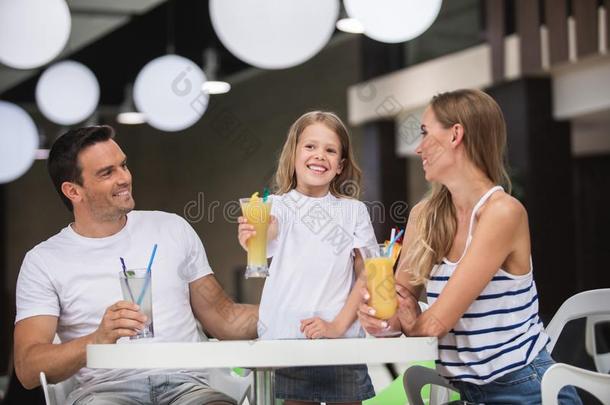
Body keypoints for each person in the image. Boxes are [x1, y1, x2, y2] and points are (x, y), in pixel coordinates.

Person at [357, 89, 582, 404]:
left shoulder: (502, 213)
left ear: (455, 135)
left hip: (525, 389)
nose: (419, 148)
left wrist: (409, 318)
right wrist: (380, 318)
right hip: (461, 393)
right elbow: (399, 307)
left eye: (425, 134)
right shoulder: (424, 215)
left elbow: (433, 325)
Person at [14, 125, 257, 405]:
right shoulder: (44, 261)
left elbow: (225, 319)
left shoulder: (171, 229)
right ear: (73, 191)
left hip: (188, 387)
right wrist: (97, 339)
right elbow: (28, 367)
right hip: (106, 392)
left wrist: (292, 310)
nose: (124, 178)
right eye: (107, 172)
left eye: (123, 165)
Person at [237, 111, 376, 405]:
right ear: (294, 154)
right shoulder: (275, 206)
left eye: (330, 150)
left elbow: (368, 274)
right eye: (310, 146)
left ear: (340, 165)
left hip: (342, 344)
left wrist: (337, 326)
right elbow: (267, 232)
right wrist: (252, 235)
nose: (319, 155)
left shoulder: (353, 211)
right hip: (288, 341)